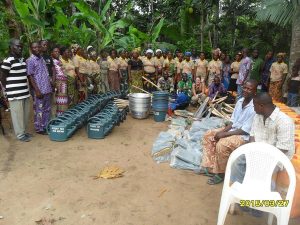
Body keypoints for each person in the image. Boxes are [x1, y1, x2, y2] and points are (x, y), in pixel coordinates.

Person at [200, 80, 258, 185]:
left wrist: (224, 134)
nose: (246, 90)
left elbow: (244, 130)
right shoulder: (240, 101)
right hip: (233, 130)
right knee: (208, 135)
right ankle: (210, 166)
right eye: (245, 87)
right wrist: (222, 131)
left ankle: (221, 173)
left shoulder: (255, 108)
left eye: (250, 89)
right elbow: (232, 122)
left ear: (254, 92)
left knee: (222, 144)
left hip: (243, 136)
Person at [230, 92, 295, 185]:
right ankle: (239, 187)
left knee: (261, 173)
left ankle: (262, 195)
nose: (253, 108)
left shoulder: (284, 121)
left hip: (276, 157)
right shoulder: (257, 116)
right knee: (238, 161)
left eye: (254, 106)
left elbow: (283, 149)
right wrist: (253, 153)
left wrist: (261, 158)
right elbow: (252, 135)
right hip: (257, 152)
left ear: (261, 106)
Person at [0, 39, 31, 142]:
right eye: (17, 46)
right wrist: (8, 89)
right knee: (17, 115)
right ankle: (20, 134)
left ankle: (24, 131)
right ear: (11, 47)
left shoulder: (22, 59)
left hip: (25, 93)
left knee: (25, 114)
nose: (20, 48)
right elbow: (2, 77)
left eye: (21, 46)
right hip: (15, 93)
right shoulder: (8, 60)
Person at [27, 42, 52, 135]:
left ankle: (45, 126)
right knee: (39, 110)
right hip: (39, 90)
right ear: (31, 49)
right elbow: (30, 76)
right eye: (34, 47)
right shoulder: (30, 60)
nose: (37, 49)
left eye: (38, 47)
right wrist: (37, 90)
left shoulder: (41, 59)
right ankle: (39, 128)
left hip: (47, 89)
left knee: (47, 109)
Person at [52, 47, 68, 116]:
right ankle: (59, 116)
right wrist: (55, 83)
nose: (57, 53)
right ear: (52, 53)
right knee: (58, 99)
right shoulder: (52, 61)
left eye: (58, 52)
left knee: (63, 99)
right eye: (55, 51)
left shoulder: (59, 61)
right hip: (58, 83)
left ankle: (62, 115)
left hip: (63, 82)